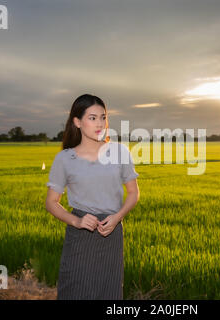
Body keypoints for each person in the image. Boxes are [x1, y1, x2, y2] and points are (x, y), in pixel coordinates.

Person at [45, 94, 140, 300]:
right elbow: (51, 202)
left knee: (109, 292)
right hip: (81, 237)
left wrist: (118, 217)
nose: (100, 124)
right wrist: (77, 221)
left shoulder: (119, 152)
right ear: (77, 122)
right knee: (76, 291)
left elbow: (133, 193)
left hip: (111, 233)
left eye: (103, 117)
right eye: (92, 118)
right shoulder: (65, 158)